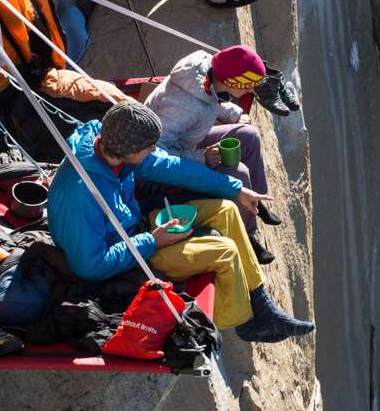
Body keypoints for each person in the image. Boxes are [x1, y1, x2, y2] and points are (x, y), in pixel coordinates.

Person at [46, 100, 313, 343]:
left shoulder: (108, 144)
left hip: (133, 228)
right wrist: (153, 240)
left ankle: (262, 304)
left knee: (225, 209)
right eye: (149, 147)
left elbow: (170, 166)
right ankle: (243, 322)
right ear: (130, 150)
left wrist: (235, 189)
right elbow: (90, 267)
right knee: (225, 251)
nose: (154, 149)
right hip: (129, 262)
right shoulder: (82, 193)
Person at [144, 46, 283, 264]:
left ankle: (256, 201)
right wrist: (201, 158)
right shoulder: (182, 106)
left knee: (249, 135)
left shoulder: (207, 70)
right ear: (234, 82)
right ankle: (246, 234)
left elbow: (209, 97)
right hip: (161, 169)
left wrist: (233, 113)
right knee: (238, 172)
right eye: (248, 86)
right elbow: (153, 152)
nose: (250, 91)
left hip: (186, 140)